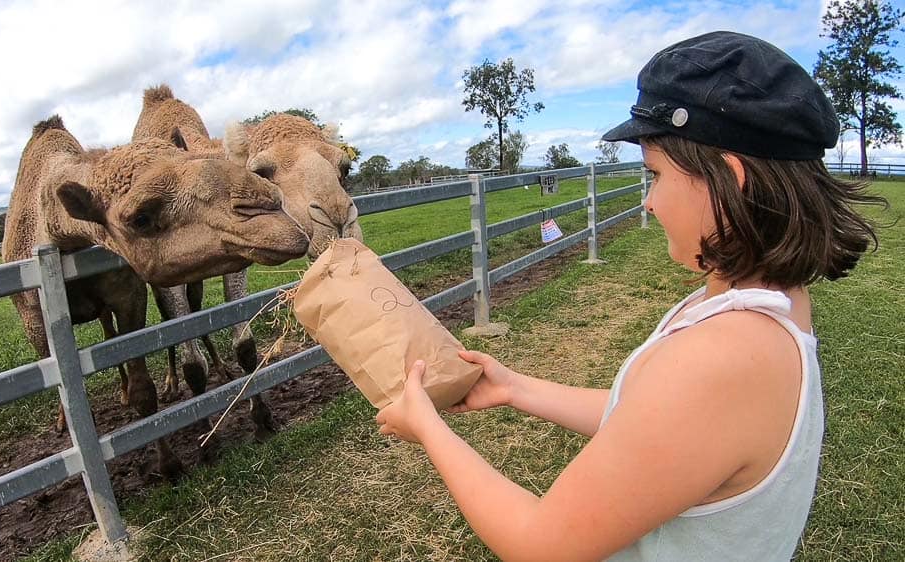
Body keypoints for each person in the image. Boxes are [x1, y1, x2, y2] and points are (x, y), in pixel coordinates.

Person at [375, 31, 884, 561]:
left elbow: (540, 546)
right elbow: (650, 423)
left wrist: (429, 428)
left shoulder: (725, 357)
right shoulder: (763, 304)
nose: (648, 203)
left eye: (655, 175)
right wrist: (514, 389)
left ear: (728, 183)